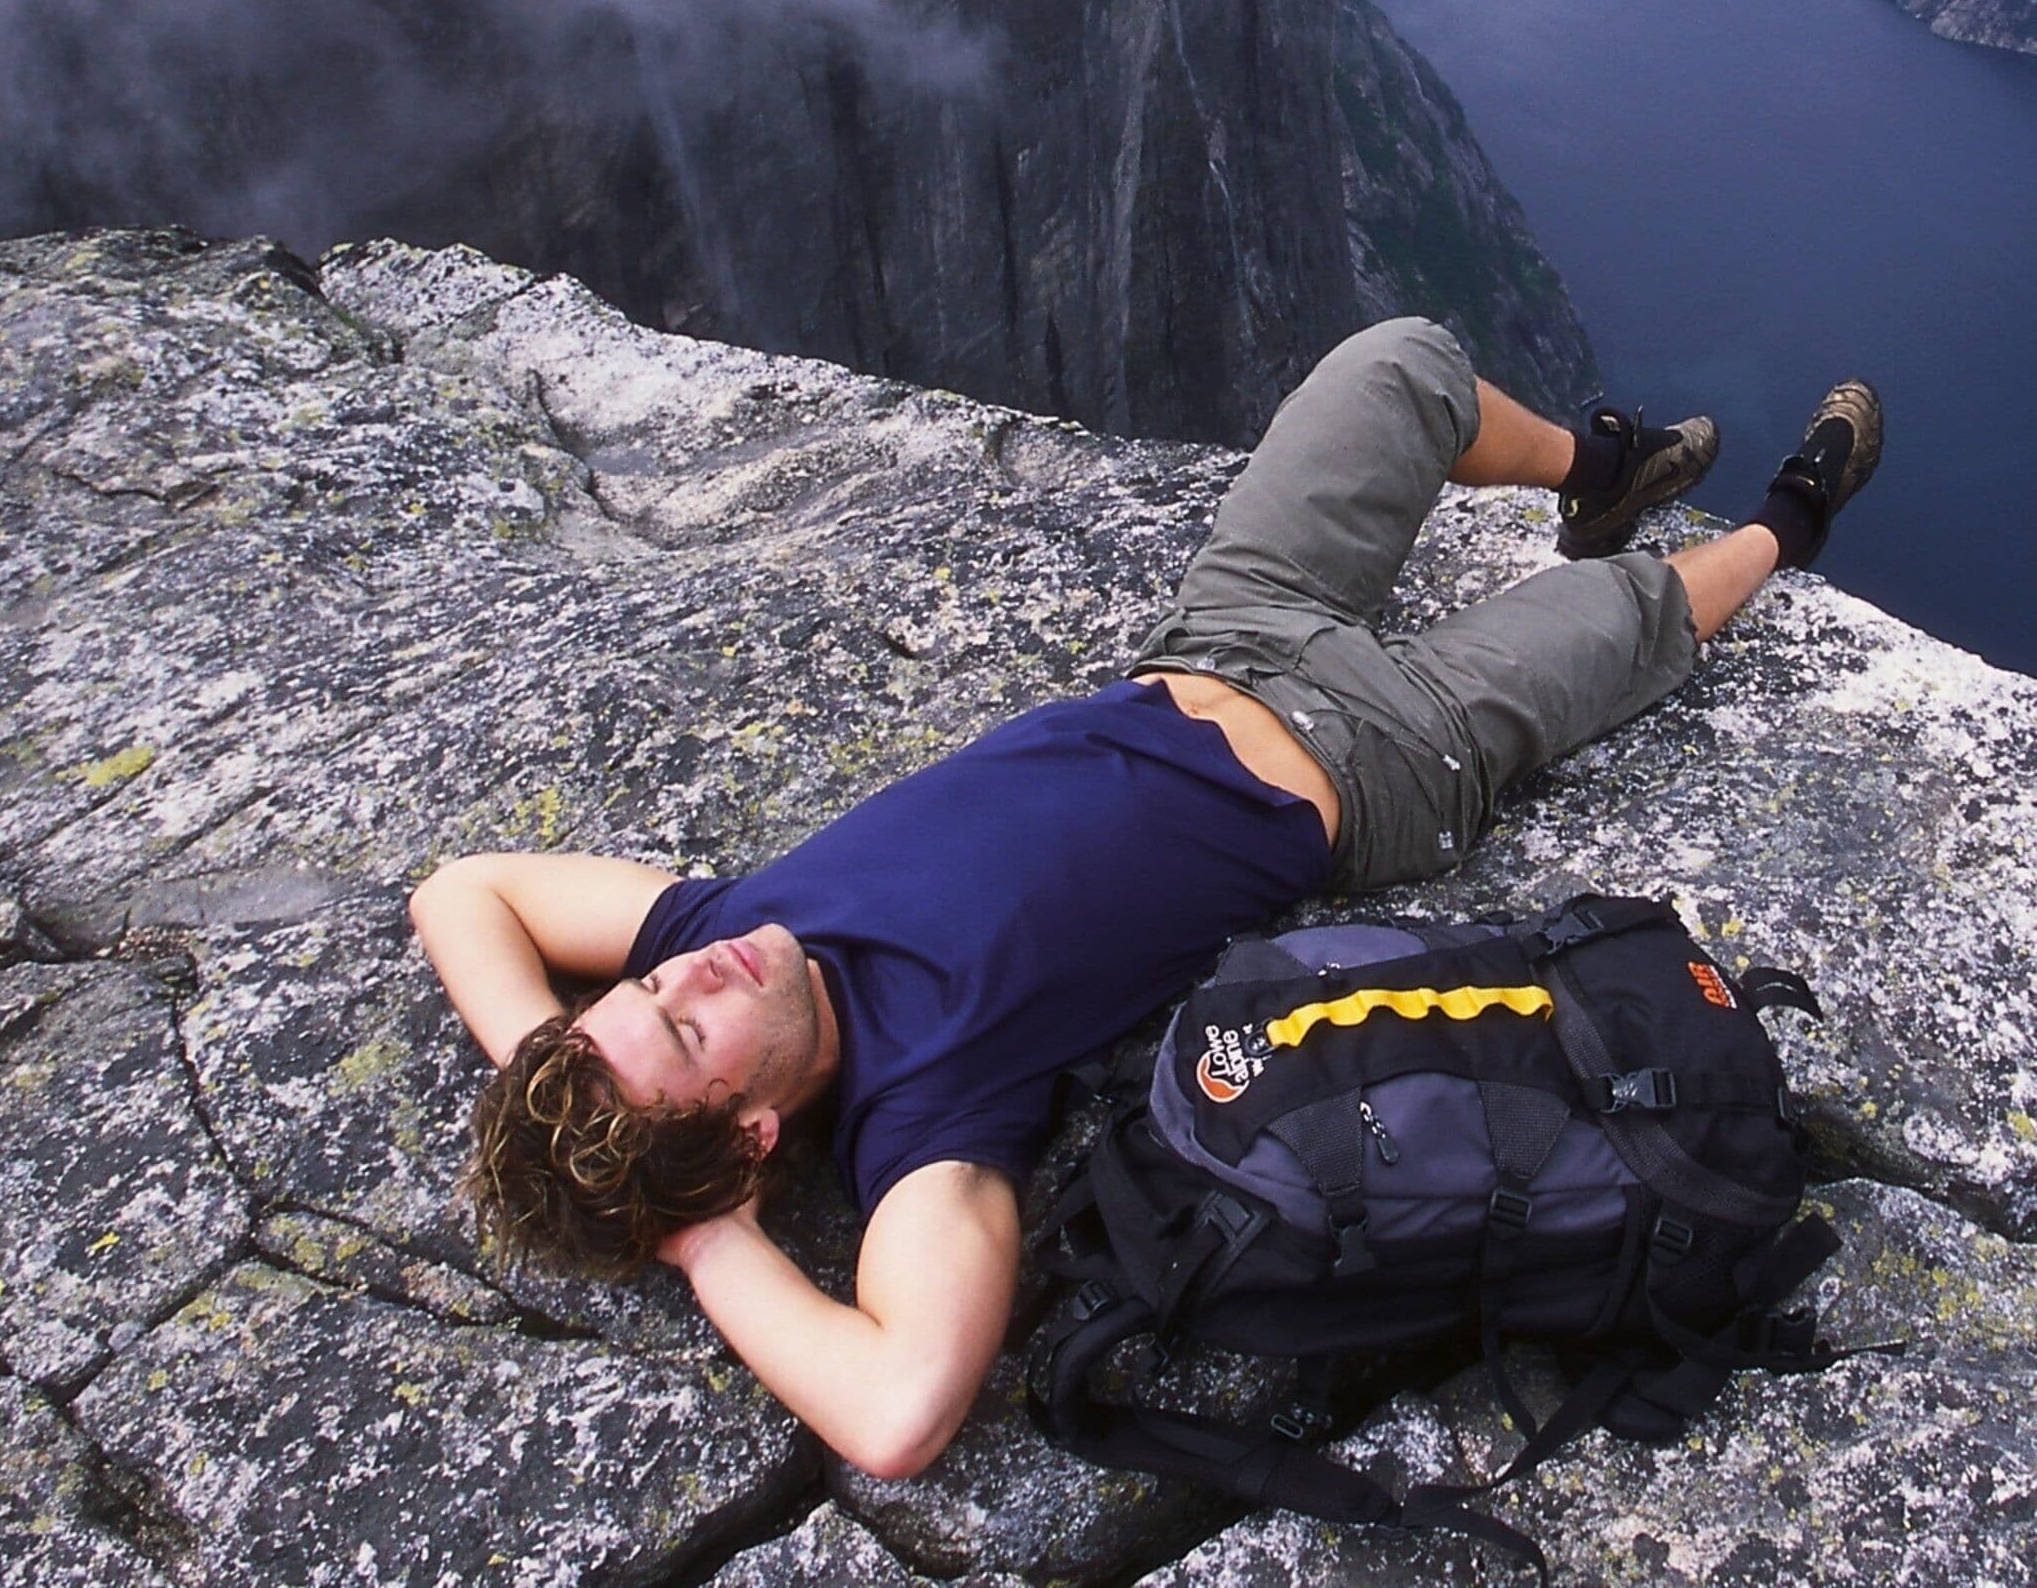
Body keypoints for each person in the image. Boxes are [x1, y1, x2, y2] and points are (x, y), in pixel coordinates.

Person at [409, 319, 1883, 1481]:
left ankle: (1595, 471)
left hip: (1227, 624)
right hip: (1380, 757)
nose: (689, 975)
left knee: (1404, 365)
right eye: (680, 1029)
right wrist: (695, 1232)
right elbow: (901, 1410)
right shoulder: (926, 1118)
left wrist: (568, 1076)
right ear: (747, 1135)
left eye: (643, 993)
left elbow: (460, 890)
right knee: (1631, 615)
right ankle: (1790, 524)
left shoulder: (716, 938)